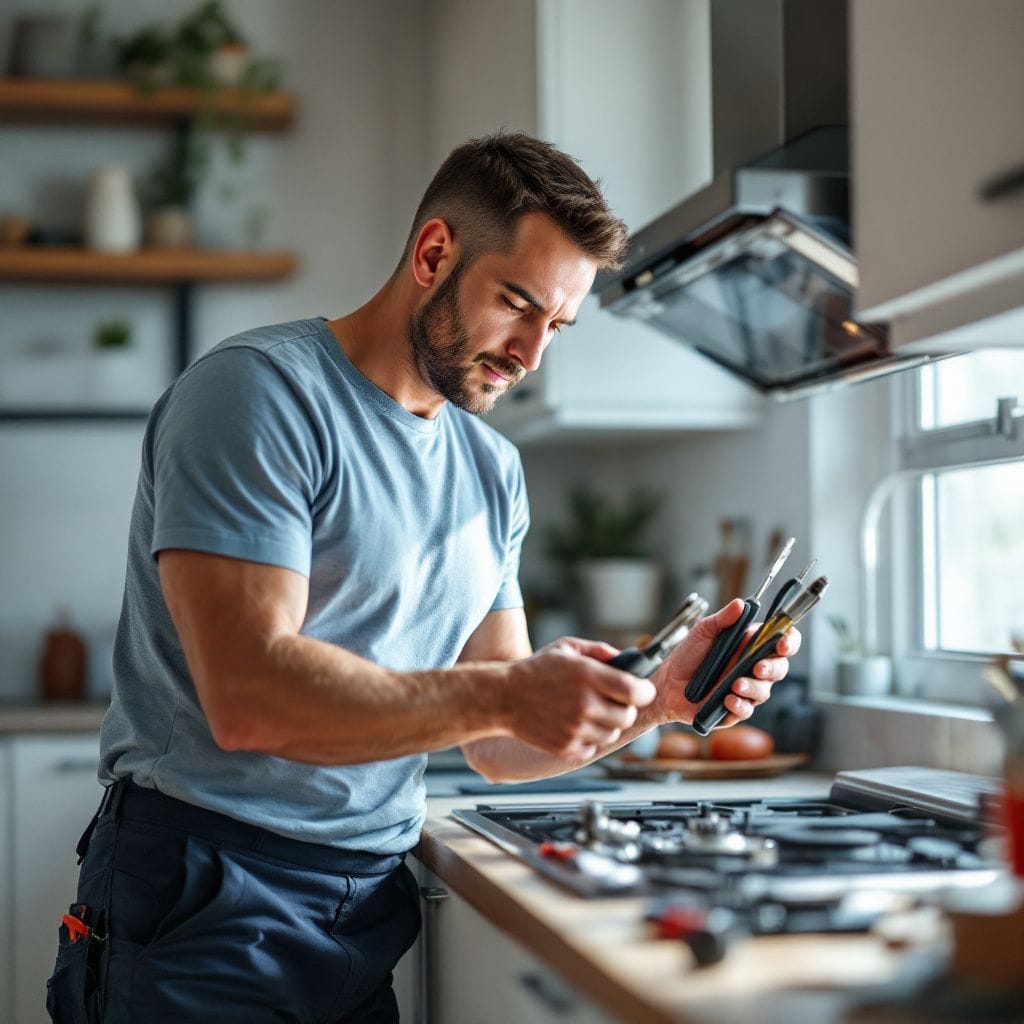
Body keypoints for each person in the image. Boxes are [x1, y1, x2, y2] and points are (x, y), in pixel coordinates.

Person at [46, 131, 799, 1023]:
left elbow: (499, 746)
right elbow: (247, 696)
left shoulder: (490, 470)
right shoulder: (258, 396)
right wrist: (510, 695)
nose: (530, 355)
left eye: (555, 325)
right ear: (434, 252)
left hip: (362, 906)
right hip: (204, 891)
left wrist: (659, 703)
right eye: (516, 304)